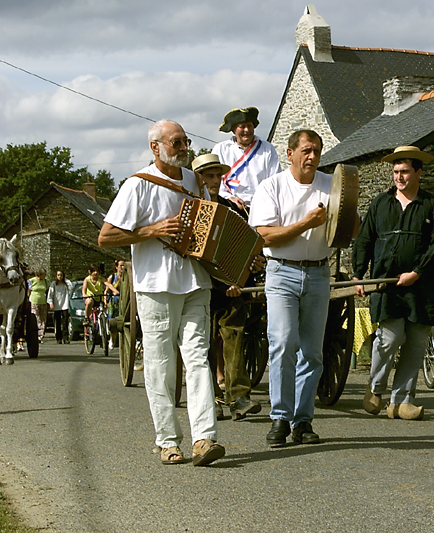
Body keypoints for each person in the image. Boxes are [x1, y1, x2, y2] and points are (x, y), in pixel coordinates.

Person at [98, 119, 225, 466]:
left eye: (186, 142)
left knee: (198, 358)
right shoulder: (138, 185)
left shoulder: (197, 182)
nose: (185, 148)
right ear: (155, 147)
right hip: (155, 285)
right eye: (177, 143)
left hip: (196, 281)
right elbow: (106, 236)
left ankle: (204, 438)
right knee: (160, 363)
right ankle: (168, 440)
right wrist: (150, 230)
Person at [249, 129, 337, 447]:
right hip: (282, 272)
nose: (312, 157)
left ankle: (303, 420)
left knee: (313, 351)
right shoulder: (271, 187)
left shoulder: (331, 184)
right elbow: (265, 237)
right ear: (290, 154)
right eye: (307, 151)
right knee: (283, 342)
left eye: (317, 151)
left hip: (318, 272)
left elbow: (347, 228)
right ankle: (280, 417)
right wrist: (306, 223)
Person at [352, 146, 434, 420]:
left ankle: (402, 401)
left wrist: (417, 272)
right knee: (389, 339)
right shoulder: (380, 204)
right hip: (387, 285)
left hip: (422, 285)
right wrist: (359, 274)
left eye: (405, 171)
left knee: (417, 343)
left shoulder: (433, 206)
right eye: (395, 172)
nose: (399, 177)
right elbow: (365, 239)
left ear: (419, 172)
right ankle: (375, 389)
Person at [192, 153, 262, 422]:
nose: (213, 181)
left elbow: (247, 247)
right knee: (203, 345)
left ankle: (239, 397)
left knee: (235, 336)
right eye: (208, 176)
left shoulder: (229, 209)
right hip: (197, 288)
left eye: (216, 176)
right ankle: (209, 398)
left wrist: (248, 271)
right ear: (197, 178)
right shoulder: (188, 208)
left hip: (227, 289)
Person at [212, 106, 281, 211]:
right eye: (242, 126)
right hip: (232, 205)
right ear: (233, 129)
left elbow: (275, 179)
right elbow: (215, 180)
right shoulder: (221, 149)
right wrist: (229, 198)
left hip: (262, 205)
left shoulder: (267, 148)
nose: (247, 130)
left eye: (250, 126)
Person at [47, 270, 73, 344]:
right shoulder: (54, 284)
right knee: (58, 322)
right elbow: (50, 294)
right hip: (57, 305)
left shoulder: (66, 284)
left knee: (65, 322)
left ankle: (65, 338)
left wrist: (65, 280)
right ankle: (58, 338)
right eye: (58, 275)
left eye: (61, 275)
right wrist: (51, 303)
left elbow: (71, 286)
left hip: (64, 305)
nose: (59, 277)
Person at [28, 269, 48, 342]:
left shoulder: (45, 281)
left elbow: (47, 290)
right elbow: (29, 291)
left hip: (43, 301)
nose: (45, 276)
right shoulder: (31, 281)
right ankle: (36, 334)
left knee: (43, 319)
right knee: (37, 318)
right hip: (34, 301)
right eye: (44, 274)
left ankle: (41, 335)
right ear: (39, 274)